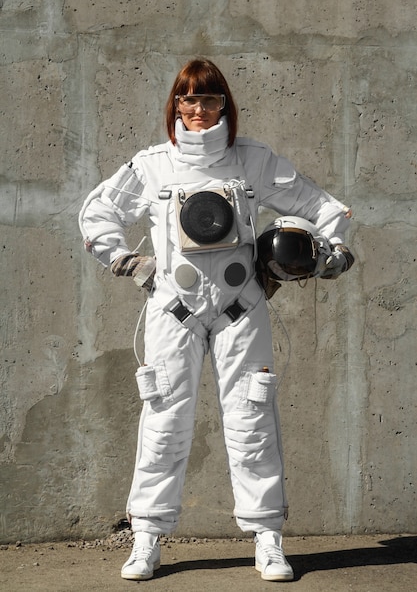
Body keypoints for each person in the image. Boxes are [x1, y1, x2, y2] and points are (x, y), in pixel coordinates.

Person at [78, 58, 354, 582]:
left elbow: (325, 208)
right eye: (189, 99)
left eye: (209, 100)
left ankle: (268, 539)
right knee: (163, 425)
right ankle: (147, 539)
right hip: (171, 311)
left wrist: (333, 251)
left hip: (240, 310)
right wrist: (128, 262)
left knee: (252, 425)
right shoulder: (154, 165)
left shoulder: (252, 161)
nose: (199, 110)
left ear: (224, 105)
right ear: (174, 106)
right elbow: (97, 214)